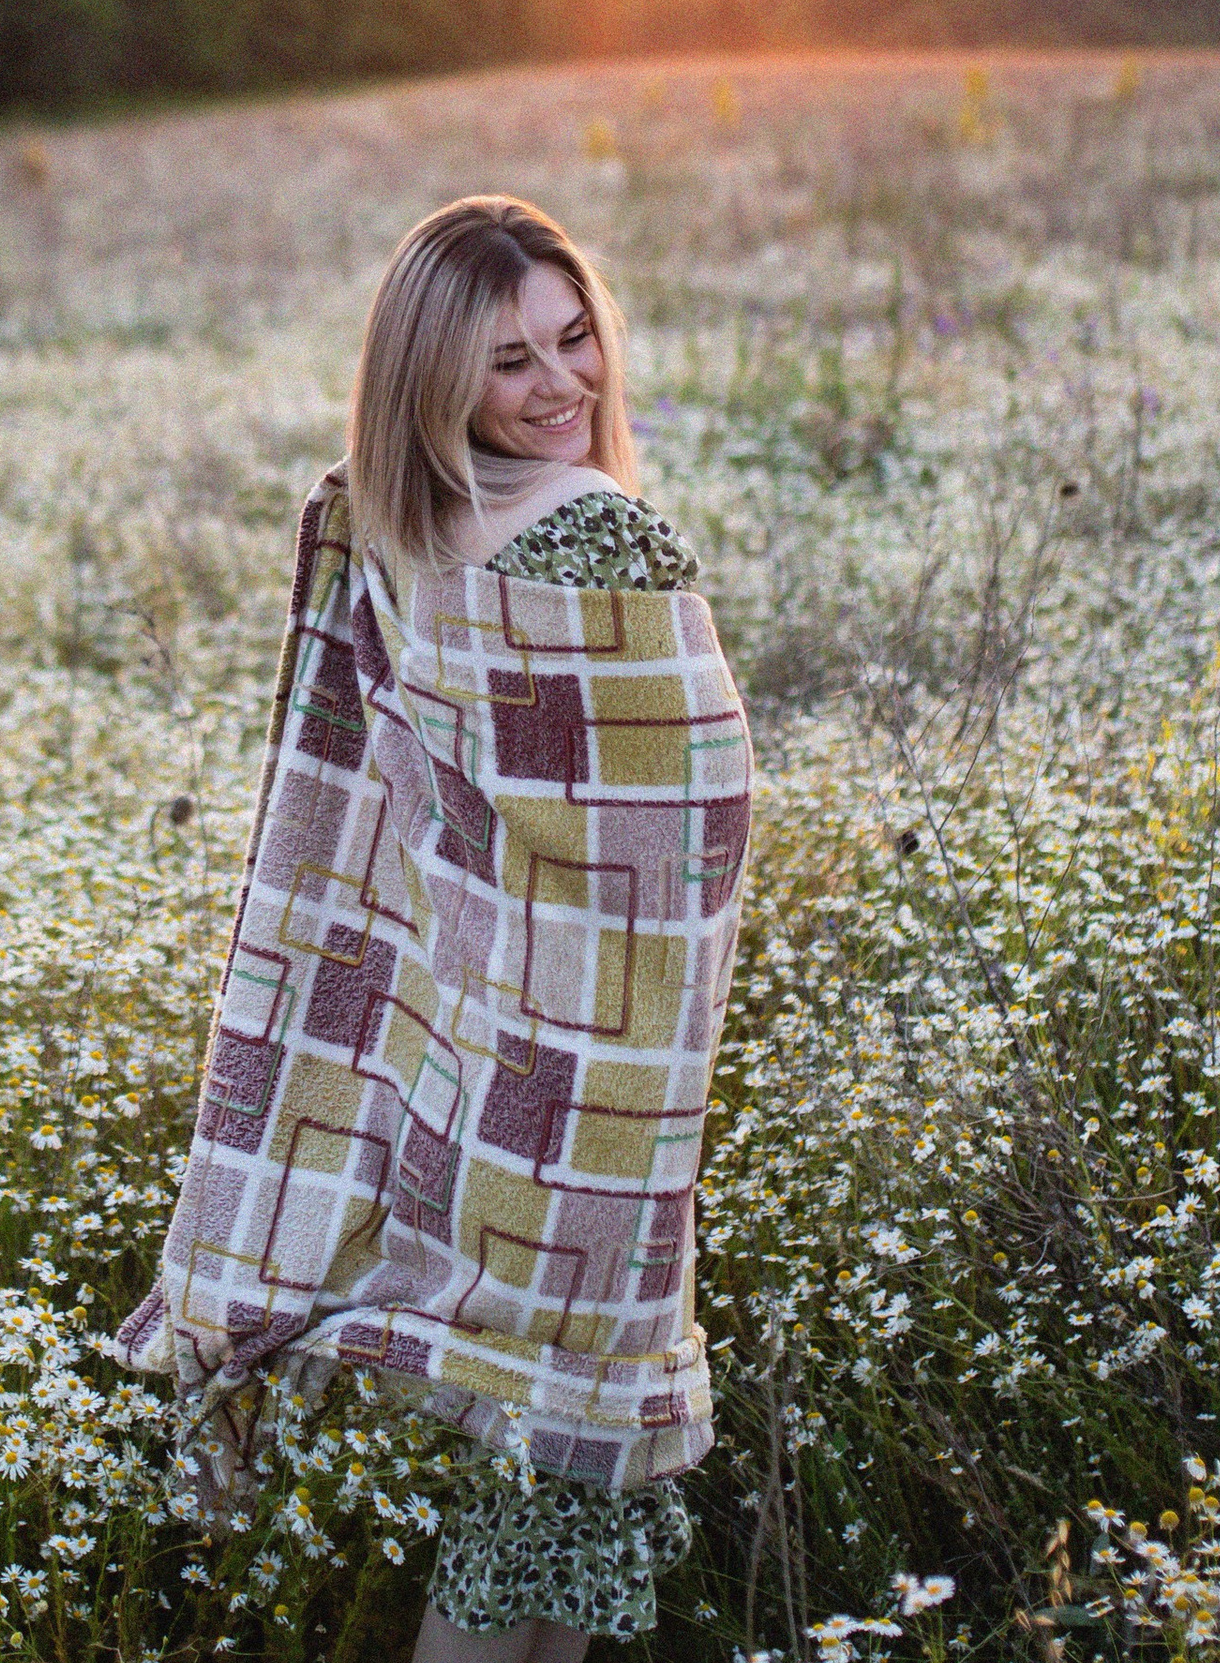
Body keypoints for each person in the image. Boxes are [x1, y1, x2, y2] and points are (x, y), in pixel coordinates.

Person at [114, 196, 754, 1663]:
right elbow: (689, 826)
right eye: (509, 361)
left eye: (573, 337)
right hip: (596, 1095)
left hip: (474, 1085)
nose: (561, 385)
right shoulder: (602, 540)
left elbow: (390, 808)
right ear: (434, 381)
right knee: (548, 1504)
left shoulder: (397, 527)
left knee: (529, 1503)